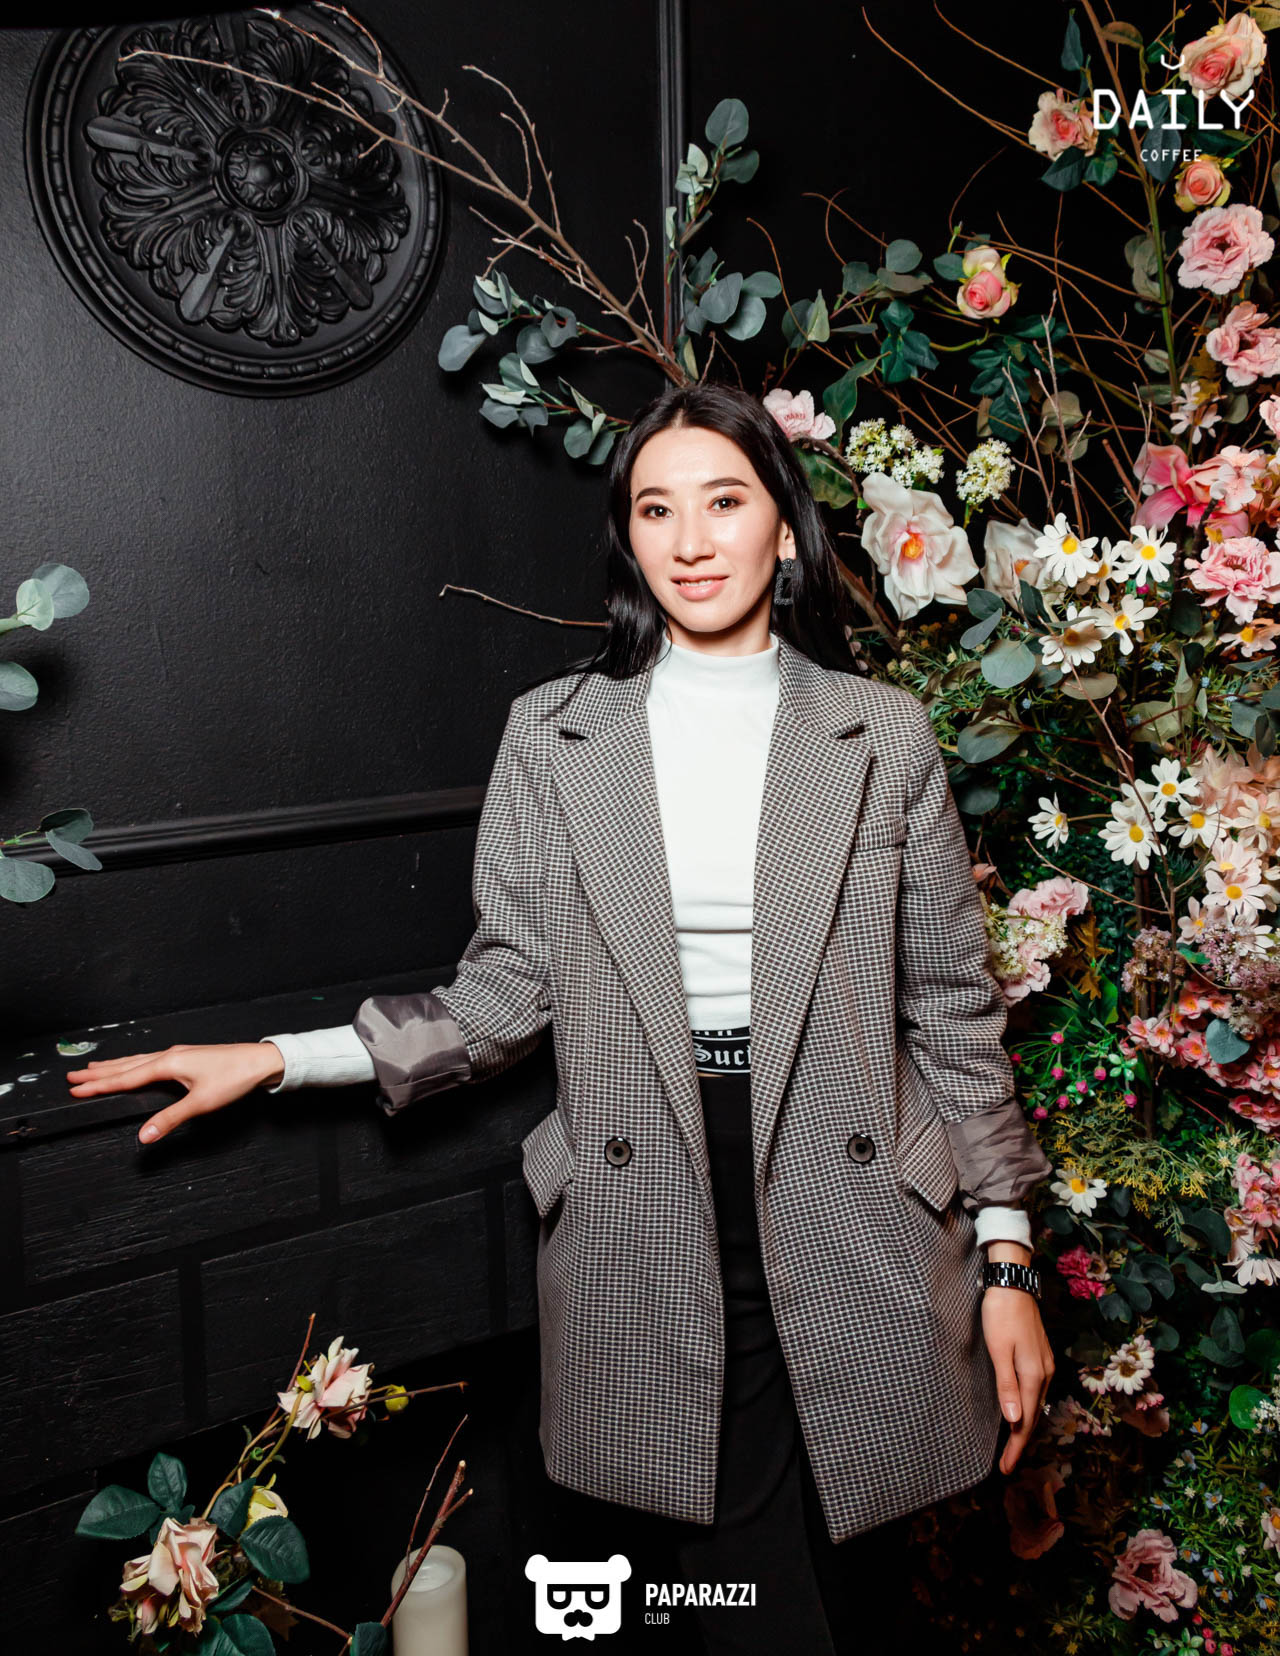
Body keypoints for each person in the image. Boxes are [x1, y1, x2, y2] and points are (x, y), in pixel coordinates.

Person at [67, 381, 1055, 1653]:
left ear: (785, 528)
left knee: (851, 1580)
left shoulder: (881, 735)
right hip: (650, 1197)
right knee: (740, 1589)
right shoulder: (555, 736)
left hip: (860, 1199)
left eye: (723, 501)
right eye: (655, 508)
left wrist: (1006, 1257)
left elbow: (952, 1013)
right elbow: (504, 991)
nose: (690, 540)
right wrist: (278, 1060)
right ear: (627, 538)